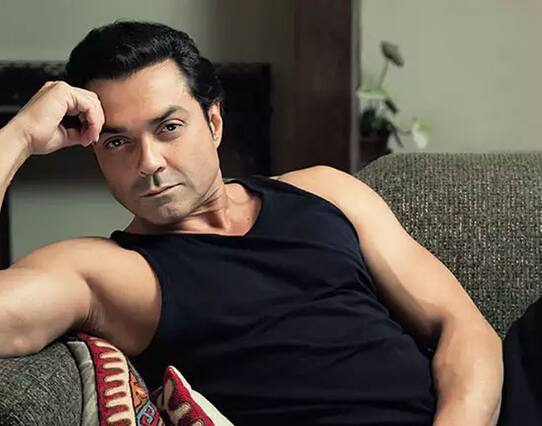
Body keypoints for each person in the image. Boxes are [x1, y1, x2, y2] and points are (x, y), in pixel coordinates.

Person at [0, 21, 509, 425]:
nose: (149, 161)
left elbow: (463, 326)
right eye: (117, 142)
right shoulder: (106, 273)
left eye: (169, 127)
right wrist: (19, 135)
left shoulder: (324, 190)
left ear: (213, 122)